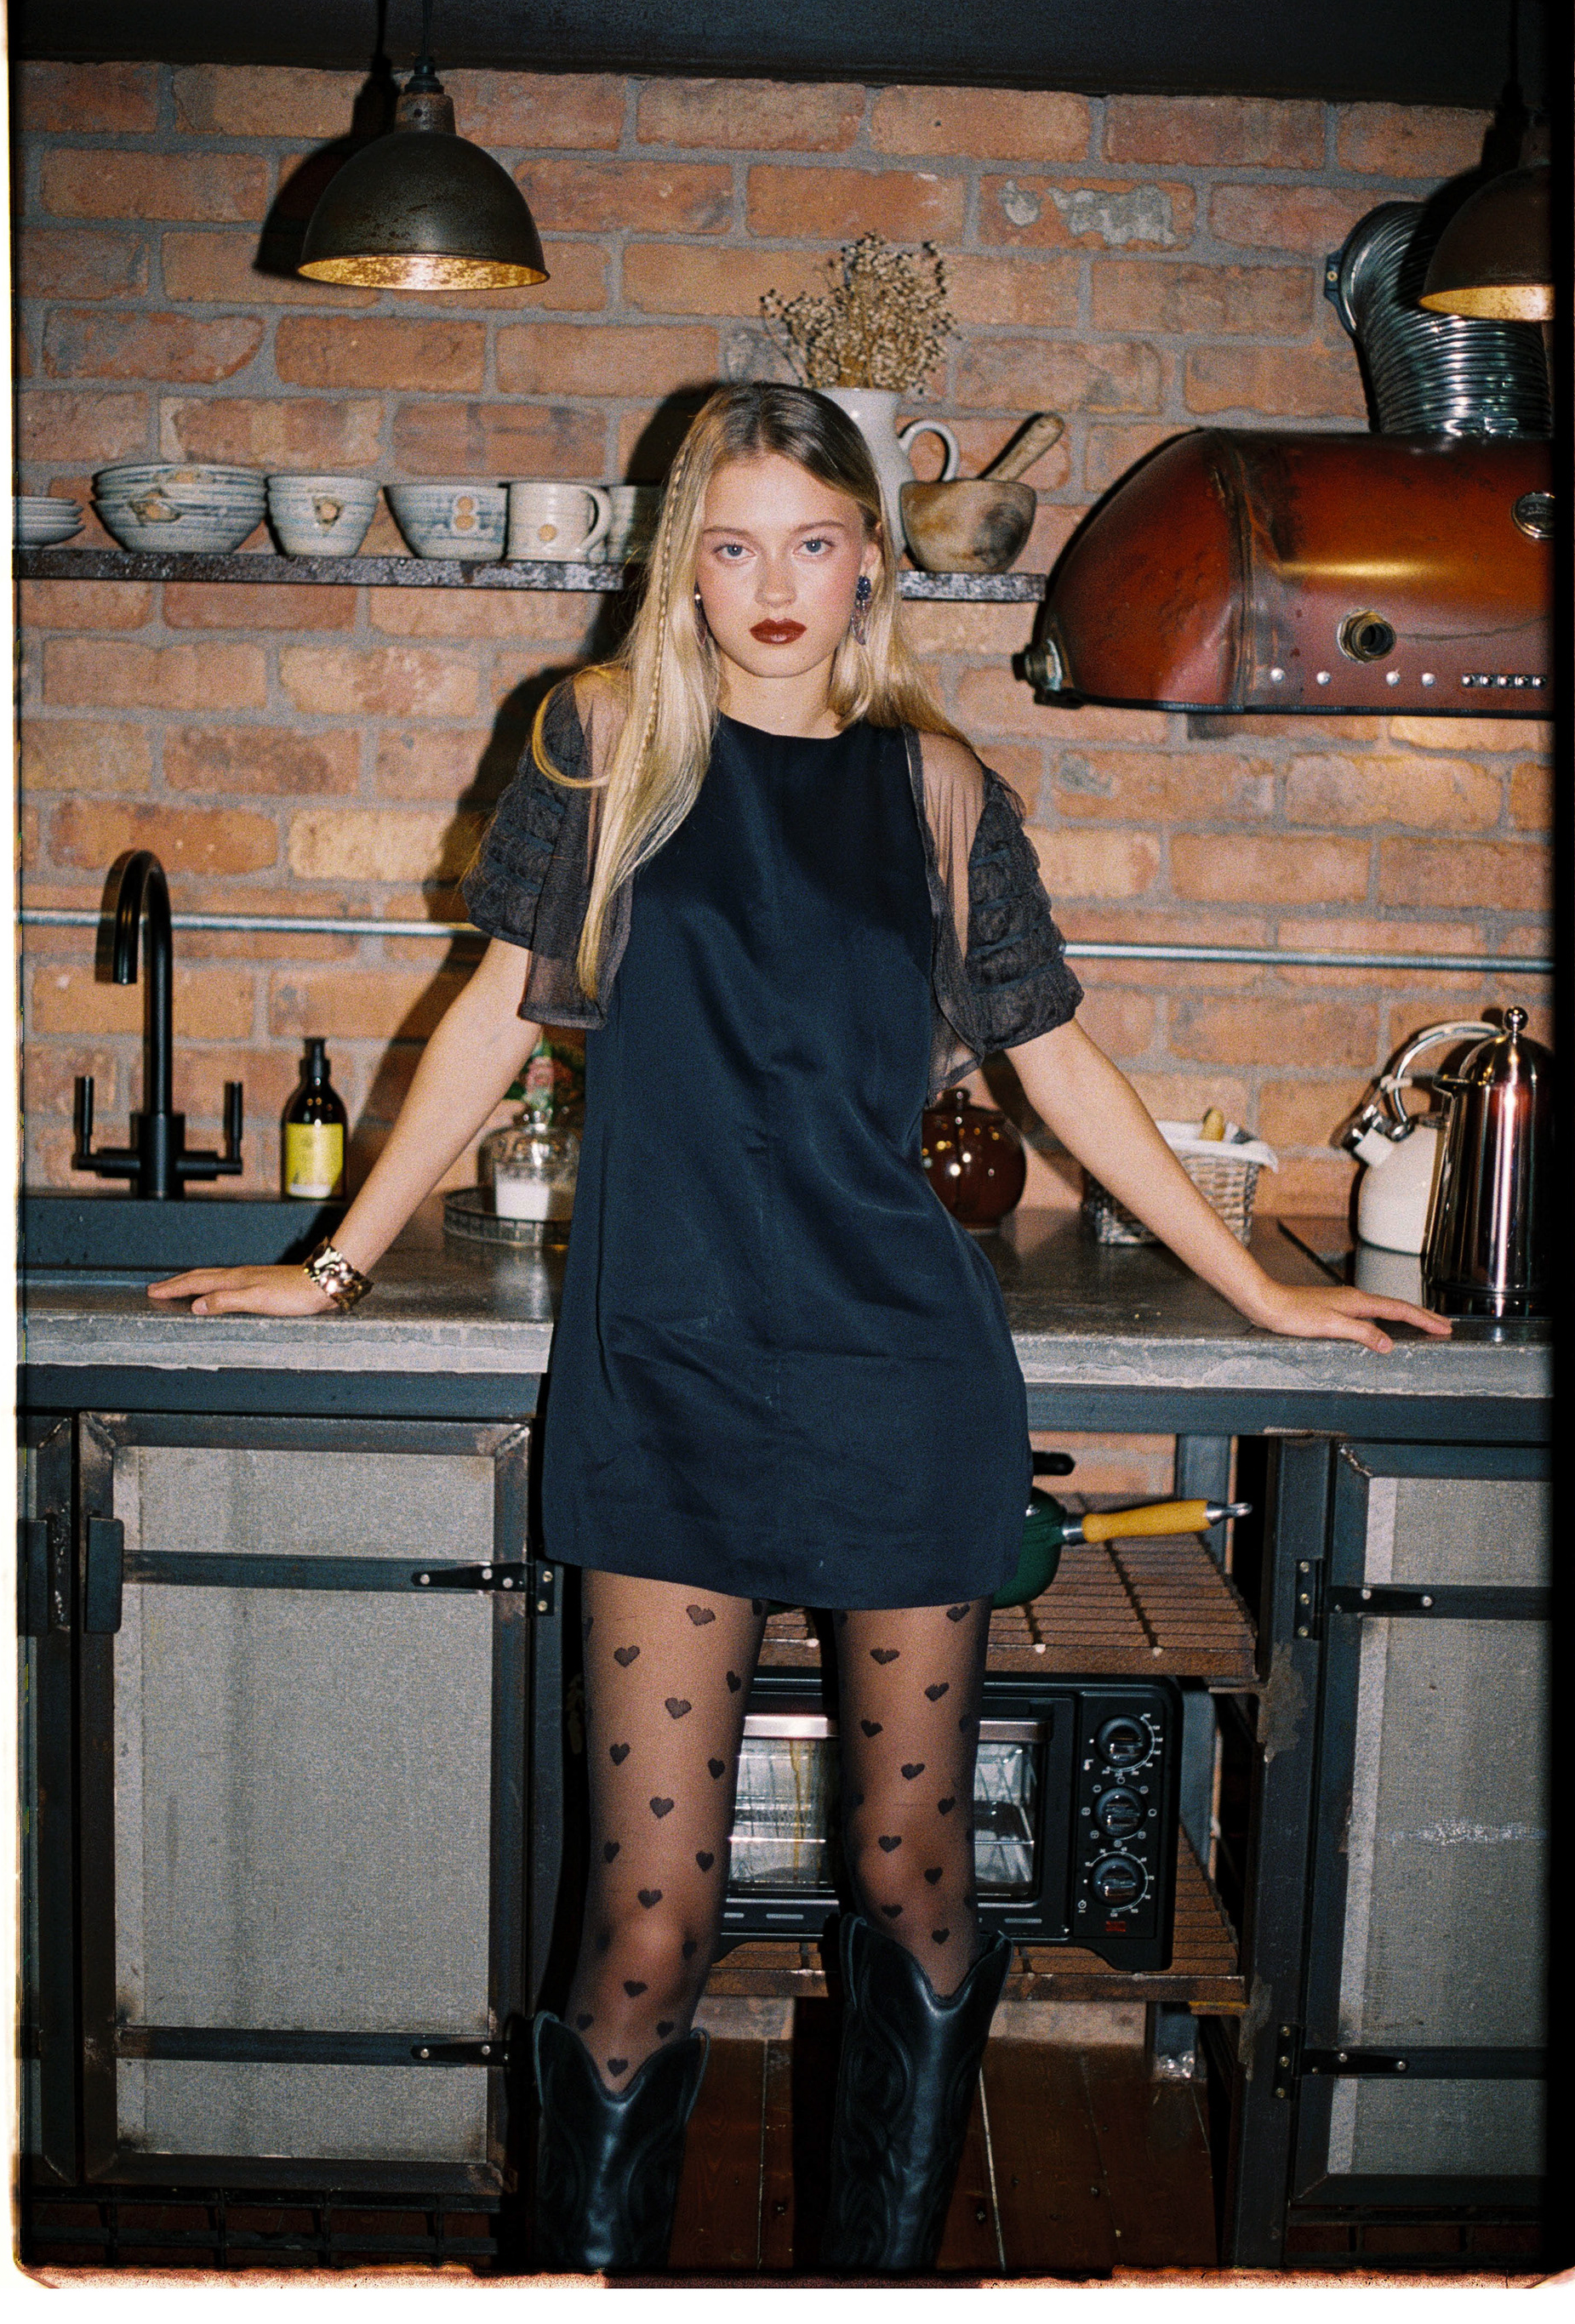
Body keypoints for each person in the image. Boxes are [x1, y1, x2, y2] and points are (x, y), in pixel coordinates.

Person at [150, 384, 1451, 2277]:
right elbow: (496, 1013)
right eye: (735, 544)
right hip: (664, 1374)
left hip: (899, 1375)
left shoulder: (940, 790)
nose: (775, 584)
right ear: (684, 566)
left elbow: (1056, 1055)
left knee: (915, 1883)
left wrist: (1259, 1283)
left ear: (869, 568)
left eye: (815, 543)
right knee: (649, 1920)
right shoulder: (601, 744)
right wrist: (333, 1260)